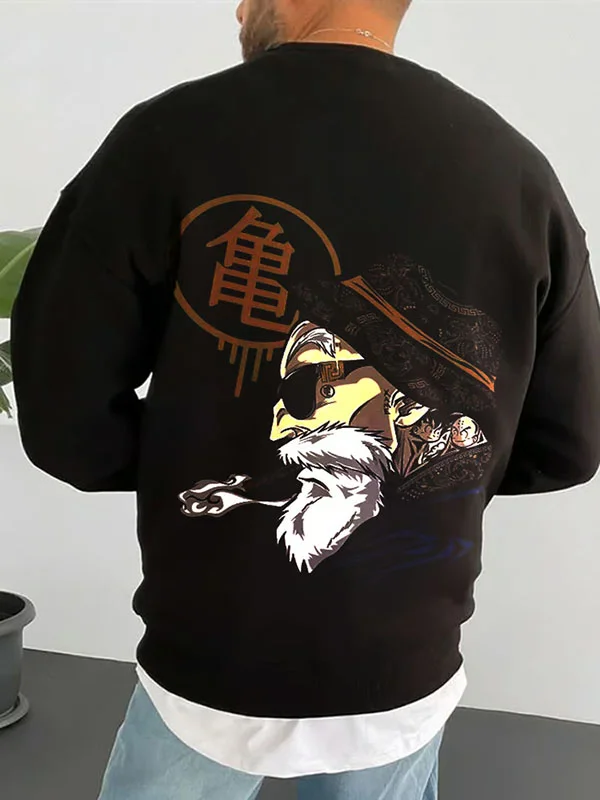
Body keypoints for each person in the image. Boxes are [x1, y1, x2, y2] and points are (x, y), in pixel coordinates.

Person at [10, 0, 600, 797]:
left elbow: (66, 418)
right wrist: (434, 488)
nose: (240, 7)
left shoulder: (168, 139)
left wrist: (181, 453)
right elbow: (568, 442)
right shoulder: (516, 171)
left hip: (211, 653)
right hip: (404, 664)